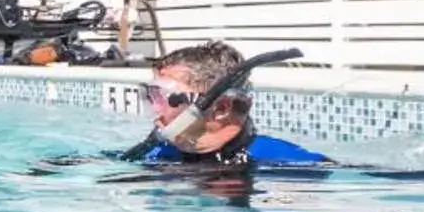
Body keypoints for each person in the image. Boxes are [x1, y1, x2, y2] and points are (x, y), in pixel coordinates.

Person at [116, 41, 328, 167]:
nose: (155, 109)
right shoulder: (156, 155)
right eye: (151, 96)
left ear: (221, 108)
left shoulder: (286, 165)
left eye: (163, 97)